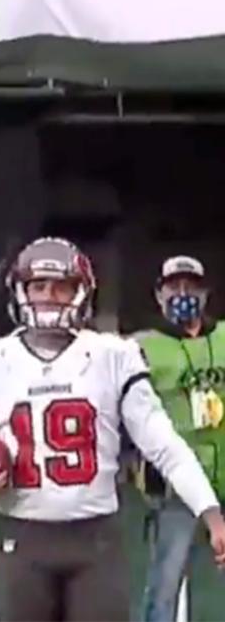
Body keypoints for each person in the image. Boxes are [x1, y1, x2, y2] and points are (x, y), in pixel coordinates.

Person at [0, 237, 225, 622]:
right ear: (20, 291)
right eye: (38, 285)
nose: (49, 296)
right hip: (22, 536)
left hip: (95, 539)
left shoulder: (112, 355)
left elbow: (163, 443)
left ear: (81, 292)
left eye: (61, 285)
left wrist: (210, 510)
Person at [132, 255, 225, 622]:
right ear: (158, 294)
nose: (182, 294)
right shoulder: (141, 346)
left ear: (206, 293)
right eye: (173, 287)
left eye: (191, 286)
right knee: (164, 587)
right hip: (176, 490)